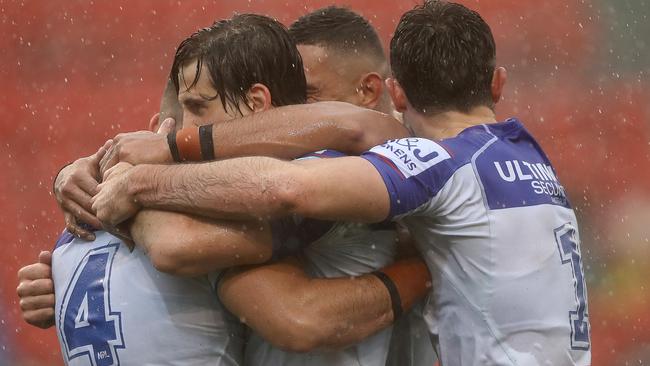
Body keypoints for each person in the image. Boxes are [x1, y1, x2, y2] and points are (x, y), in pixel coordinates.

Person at [92, 2, 592, 365]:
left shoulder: (431, 165)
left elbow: (280, 192)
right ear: (498, 83)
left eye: (306, 97)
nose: (294, 116)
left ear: (390, 89)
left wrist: (139, 181)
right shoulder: (528, 157)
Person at [18, 13, 430, 365]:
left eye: (310, 99)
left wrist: (132, 183)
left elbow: (182, 248)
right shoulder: (198, 200)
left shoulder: (346, 168)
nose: (182, 130)